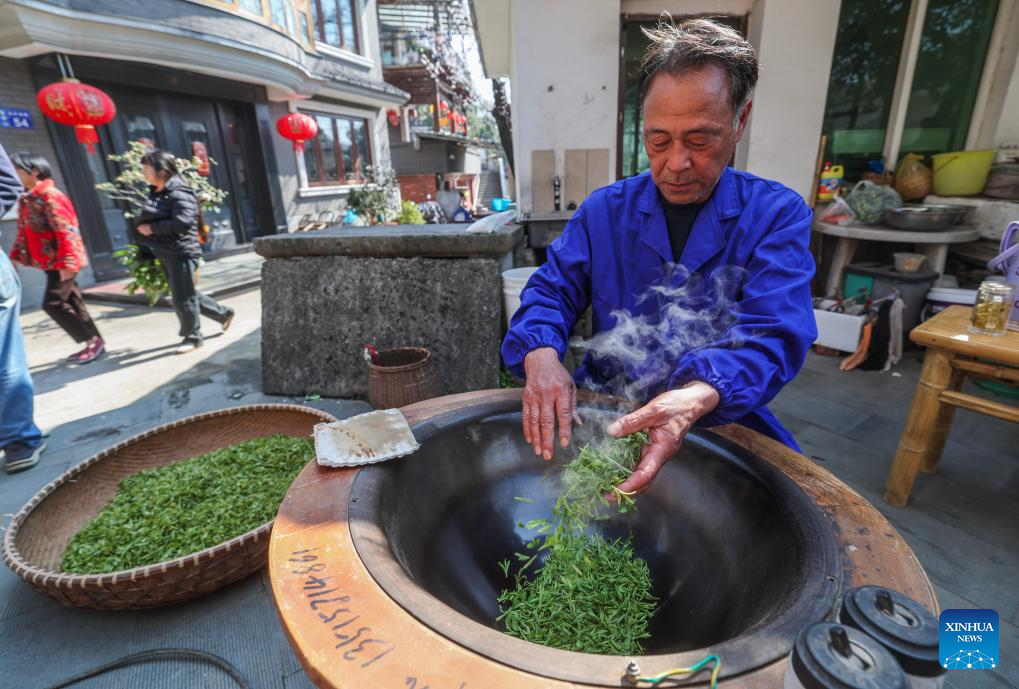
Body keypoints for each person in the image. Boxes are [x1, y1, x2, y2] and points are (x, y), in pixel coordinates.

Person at [502, 18, 817, 496]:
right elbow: (551, 288)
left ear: (740, 120)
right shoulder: (604, 211)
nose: (676, 163)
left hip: (716, 413)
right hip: (608, 408)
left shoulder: (776, 215)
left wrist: (696, 395)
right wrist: (541, 352)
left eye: (699, 140)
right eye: (658, 140)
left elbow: (774, 334)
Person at [135, 149, 233, 354]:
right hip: (166, 251)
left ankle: (193, 337)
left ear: (161, 170)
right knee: (186, 293)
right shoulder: (159, 191)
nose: (144, 172)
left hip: (181, 251)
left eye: (147, 168)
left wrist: (152, 228)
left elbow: (183, 222)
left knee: (182, 298)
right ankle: (223, 314)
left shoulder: (179, 191)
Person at [9, 153, 104, 364]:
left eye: (18, 170)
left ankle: (91, 340)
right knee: (73, 300)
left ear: (35, 171)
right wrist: (15, 257)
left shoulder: (50, 195)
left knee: (52, 303)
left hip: (63, 261)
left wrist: (68, 263)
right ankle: (95, 342)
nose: (15, 174)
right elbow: (24, 232)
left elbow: (66, 230)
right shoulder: (29, 198)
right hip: (51, 261)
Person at [0, 143, 45, 473]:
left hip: (57, 261)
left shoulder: (48, 195)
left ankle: (19, 438)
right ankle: (19, 440)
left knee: (4, 355)